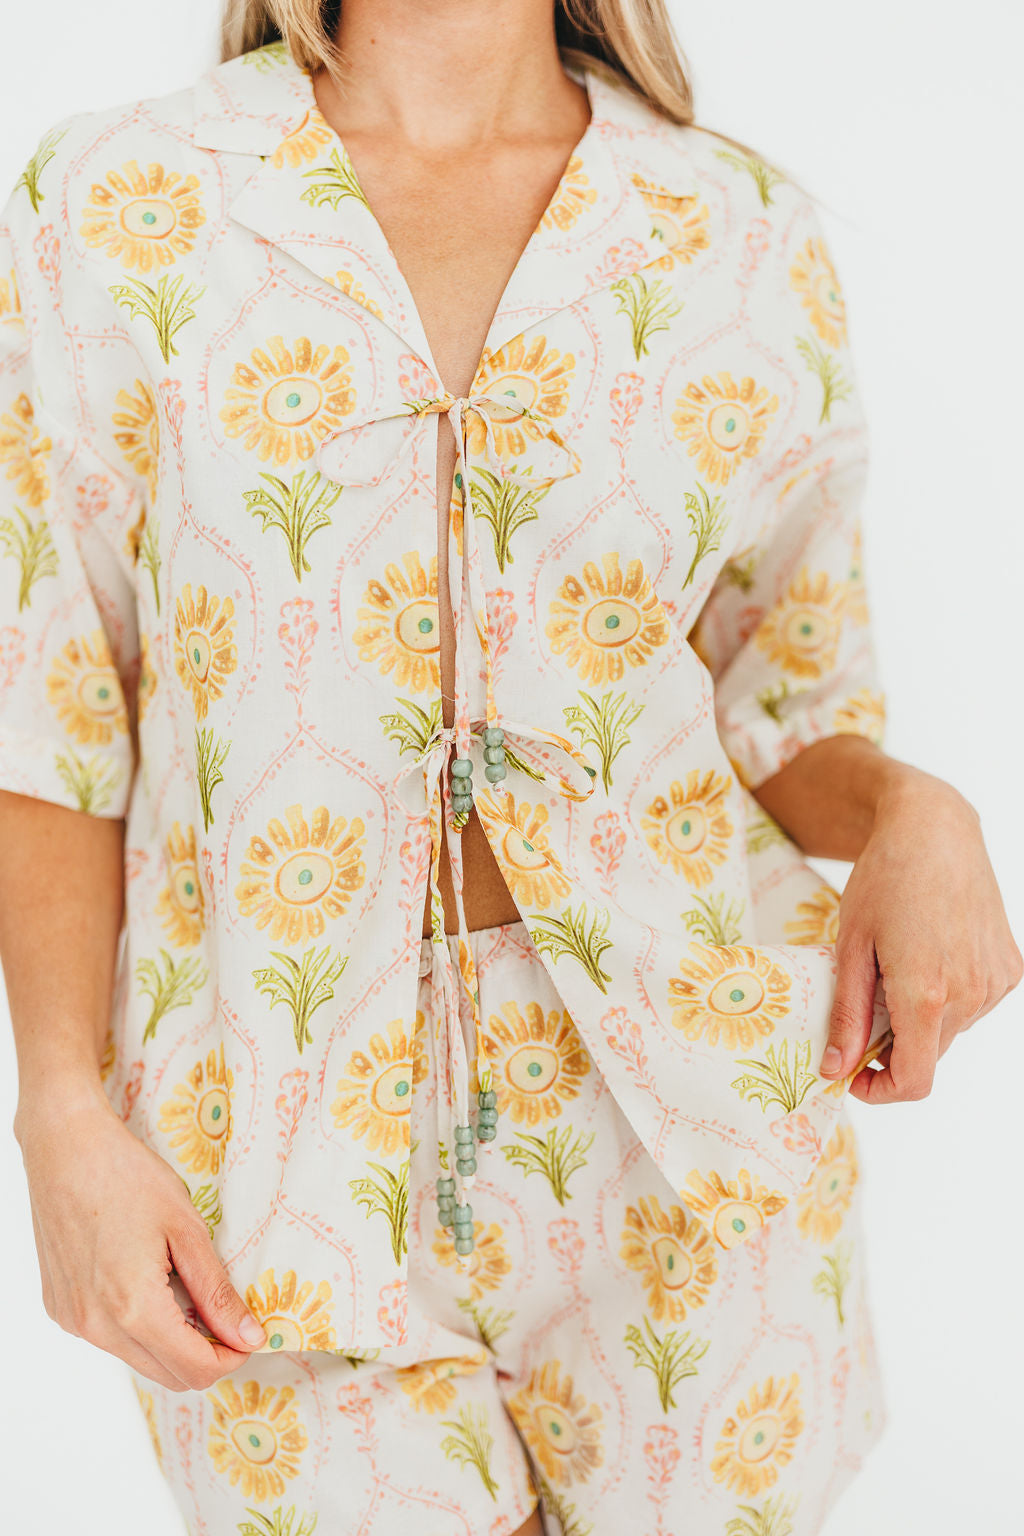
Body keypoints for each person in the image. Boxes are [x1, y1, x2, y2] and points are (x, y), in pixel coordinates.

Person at [1, 0, 1019, 1531]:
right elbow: (47, 696)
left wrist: (914, 807)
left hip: (692, 1152)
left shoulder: (733, 232)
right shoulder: (120, 203)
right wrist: (60, 1115)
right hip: (266, 1172)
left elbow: (786, 696)